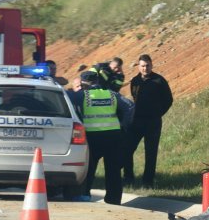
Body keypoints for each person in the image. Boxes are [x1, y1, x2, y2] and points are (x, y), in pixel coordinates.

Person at [69, 70, 133, 204]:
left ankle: (85, 194)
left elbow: (69, 103)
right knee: (113, 170)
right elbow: (130, 106)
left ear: (83, 83)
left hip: (92, 137)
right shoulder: (111, 94)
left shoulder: (82, 96)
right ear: (97, 81)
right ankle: (113, 199)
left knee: (89, 168)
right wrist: (123, 126)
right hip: (113, 136)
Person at [124, 54, 173, 188]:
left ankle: (147, 182)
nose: (145, 68)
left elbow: (168, 100)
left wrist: (157, 113)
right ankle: (128, 179)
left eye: (147, 65)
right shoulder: (134, 81)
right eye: (142, 66)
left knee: (151, 153)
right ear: (138, 67)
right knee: (127, 149)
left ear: (152, 65)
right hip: (136, 122)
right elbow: (134, 98)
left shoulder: (159, 81)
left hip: (153, 123)